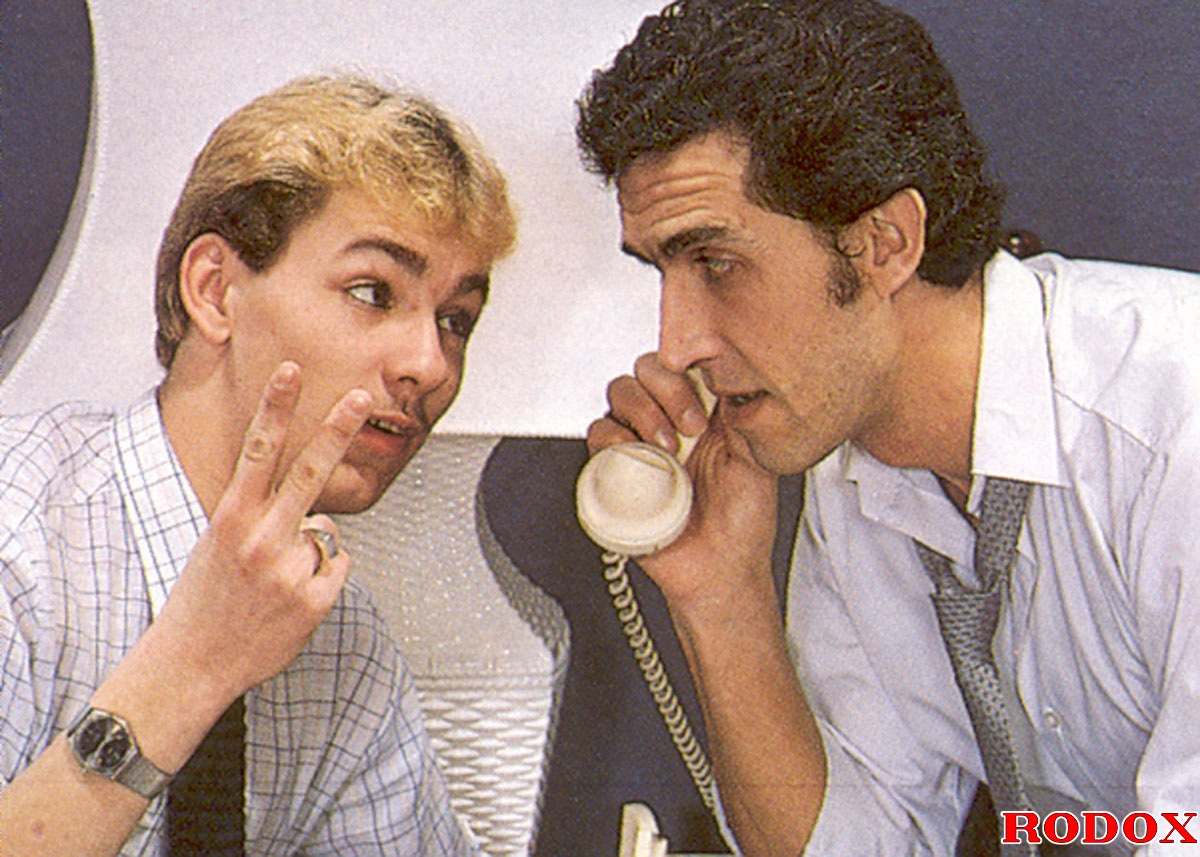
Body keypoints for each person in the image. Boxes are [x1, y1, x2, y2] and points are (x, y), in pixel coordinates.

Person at [575, 0, 1200, 854]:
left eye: (717, 263)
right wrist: (721, 597)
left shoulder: (1174, 423)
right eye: (662, 272)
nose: (677, 342)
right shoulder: (858, 478)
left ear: (885, 241)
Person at [0, 74, 516, 855]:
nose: (430, 363)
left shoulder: (342, 642)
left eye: (456, 320)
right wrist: (194, 664)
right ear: (215, 292)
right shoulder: (17, 537)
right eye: (373, 291)